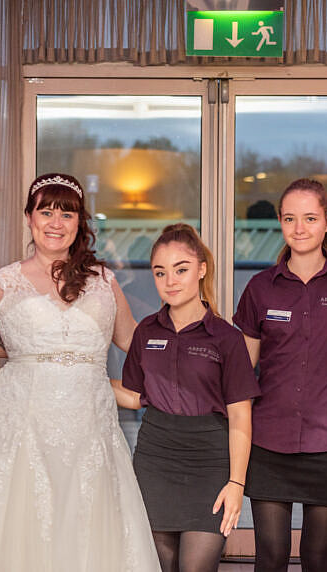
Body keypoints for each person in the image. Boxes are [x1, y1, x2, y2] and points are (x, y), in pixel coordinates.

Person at [0, 173, 161, 571]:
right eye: (46, 211)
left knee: (88, 520)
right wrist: (22, 347)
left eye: (67, 213)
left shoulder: (104, 281)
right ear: (29, 217)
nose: (56, 222)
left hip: (89, 423)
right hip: (21, 422)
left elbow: (134, 341)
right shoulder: (5, 281)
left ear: (80, 222)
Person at [233, 178, 327, 572]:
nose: (299, 228)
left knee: (317, 559)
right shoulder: (260, 288)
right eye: (290, 218)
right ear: (279, 221)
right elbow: (243, 366)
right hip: (269, 443)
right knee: (271, 557)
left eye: (310, 218)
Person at [114, 223, 260, 572]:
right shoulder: (146, 332)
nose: (171, 281)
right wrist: (82, 375)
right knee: (159, 566)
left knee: (197, 567)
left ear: (201, 269)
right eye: (160, 272)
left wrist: (236, 483)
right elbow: (135, 396)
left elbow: (240, 417)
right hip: (155, 458)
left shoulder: (227, 338)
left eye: (181, 270)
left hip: (209, 463)